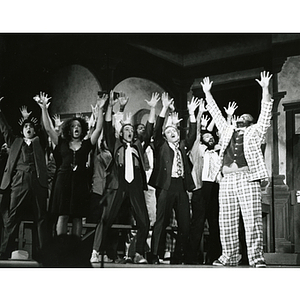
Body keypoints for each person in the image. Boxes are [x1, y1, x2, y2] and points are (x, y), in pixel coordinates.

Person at [200, 71, 273, 267]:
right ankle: (229, 256)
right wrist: (207, 93)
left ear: (250, 121)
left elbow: (265, 113)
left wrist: (265, 89)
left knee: (252, 220)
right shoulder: (227, 130)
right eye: (240, 117)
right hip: (226, 180)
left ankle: (256, 258)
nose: (242, 118)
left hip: (247, 178)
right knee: (227, 221)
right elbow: (215, 113)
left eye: (246, 117)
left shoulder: (255, 132)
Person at [90, 91, 158, 264]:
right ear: (121, 133)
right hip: (117, 184)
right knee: (106, 219)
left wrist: (152, 109)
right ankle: (96, 251)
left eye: (131, 129)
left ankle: (138, 253)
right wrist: (109, 107)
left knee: (144, 221)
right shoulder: (115, 144)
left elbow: (149, 130)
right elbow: (106, 126)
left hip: (135, 185)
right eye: (126, 129)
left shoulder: (138, 146)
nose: (129, 131)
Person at [36, 91, 106, 238]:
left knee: (78, 216)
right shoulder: (61, 143)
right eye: (73, 126)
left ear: (82, 129)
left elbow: (98, 129)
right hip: (63, 181)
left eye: (79, 126)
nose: (76, 128)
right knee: (63, 215)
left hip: (80, 182)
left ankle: (75, 251)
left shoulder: (86, 144)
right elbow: (48, 128)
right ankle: (62, 249)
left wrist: (100, 108)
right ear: (69, 129)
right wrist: (44, 108)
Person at [149, 93, 200, 264]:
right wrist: (163, 109)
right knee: (161, 221)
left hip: (181, 186)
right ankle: (154, 254)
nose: (172, 132)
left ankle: (178, 256)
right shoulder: (161, 145)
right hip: (165, 185)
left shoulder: (183, 146)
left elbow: (192, 135)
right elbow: (156, 131)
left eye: (174, 130)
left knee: (185, 224)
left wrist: (192, 114)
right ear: (165, 136)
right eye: (168, 131)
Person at [0, 99, 48, 260]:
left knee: (41, 218)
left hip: (37, 182)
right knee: (12, 217)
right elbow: (5, 129)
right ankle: (3, 252)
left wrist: (43, 109)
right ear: (22, 130)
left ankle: (43, 254)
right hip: (19, 182)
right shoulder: (15, 142)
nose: (29, 128)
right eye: (26, 126)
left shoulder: (39, 141)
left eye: (31, 126)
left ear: (35, 131)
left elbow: (45, 129)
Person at [188, 99, 222, 265]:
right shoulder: (198, 148)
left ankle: (215, 257)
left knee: (215, 224)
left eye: (211, 136)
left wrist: (226, 118)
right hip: (201, 188)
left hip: (215, 188)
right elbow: (196, 135)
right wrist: (199, 113)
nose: (209, 138)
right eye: (206, 136)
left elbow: (224, 136)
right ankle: (191, 257)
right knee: (198, 224)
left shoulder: (217, 152)